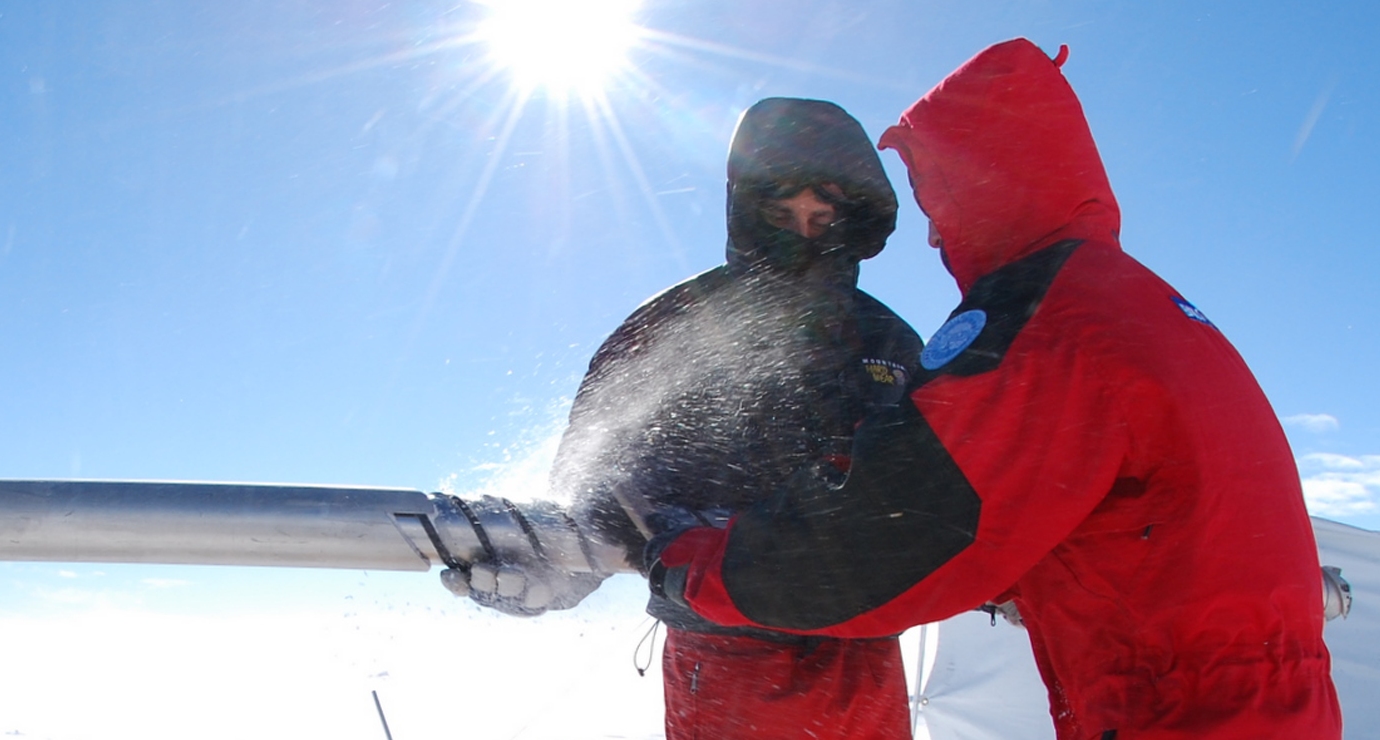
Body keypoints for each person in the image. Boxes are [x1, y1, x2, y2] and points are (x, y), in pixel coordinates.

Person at [646, 40, 1342, 739]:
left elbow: (893, 535)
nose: (930, 234)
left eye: (934, 193)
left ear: (979, 179)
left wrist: (687, 566)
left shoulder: (1042, 323)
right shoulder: (1134, 300)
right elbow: (1072, 504)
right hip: (1270, 702)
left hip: (1176, 710)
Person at [447, 98, 923, 740]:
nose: (803, 234)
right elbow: (597, 477)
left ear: (851, 220)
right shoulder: (675, 323)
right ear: (746, 212)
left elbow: (939, 487)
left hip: (864, 652)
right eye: (781, 216)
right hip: (727, 653)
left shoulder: (890, 340)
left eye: (822, 217)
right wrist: (563, 566)